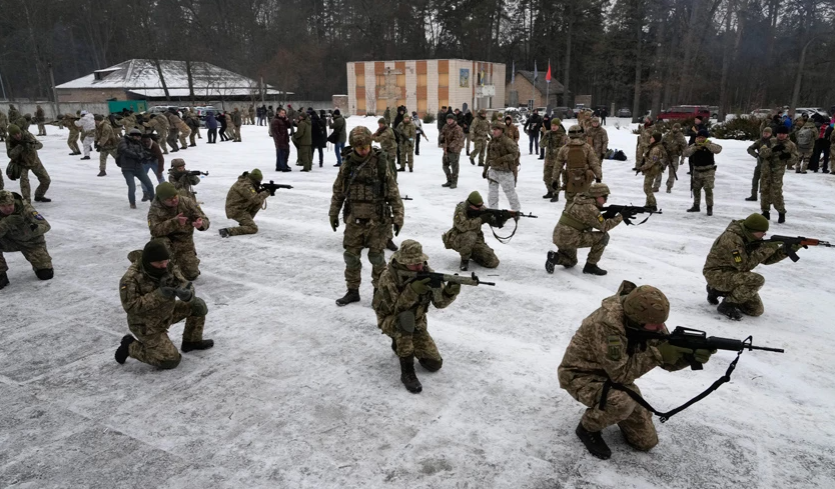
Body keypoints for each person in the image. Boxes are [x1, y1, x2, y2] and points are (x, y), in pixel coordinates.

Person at [558, 281, 707, 459]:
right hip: (581, 376)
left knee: (645, 442)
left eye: (662, 323)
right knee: (622, 402)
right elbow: (621, 374)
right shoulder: (606, 325)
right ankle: (588, 427)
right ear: (636, 319)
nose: (661, 329)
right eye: (656, 325)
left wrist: (688, 357)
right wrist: (658, 353)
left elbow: (667, 363)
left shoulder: (650, 320)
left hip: (613, 377)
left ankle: (610, 410)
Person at [372, 239, 460, 393]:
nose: (419, 266)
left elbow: (439, 303)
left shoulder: (426, 273)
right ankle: (407, 372)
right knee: (406, 319)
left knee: (434, 364)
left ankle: (399, 343)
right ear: (403, 262)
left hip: (418, 323)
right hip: (391, 320)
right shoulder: (388, 277)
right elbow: (396, 308)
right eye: (414, 263)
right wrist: (413, 290)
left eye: (420, 262)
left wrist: (450, 292)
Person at [329, 127, 404, 306]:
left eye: (366, 146)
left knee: (377, 258)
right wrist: (333, 212)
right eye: (360, 147)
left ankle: (379, 292)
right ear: (353, 146)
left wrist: (398, 216)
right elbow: (338, 191)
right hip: (354, 219)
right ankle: (352, 291)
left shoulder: (380, 163)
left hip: (377, 220)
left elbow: (393, 192)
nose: (364, 150)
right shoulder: (347, 165)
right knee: (351, 257)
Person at [114, 239, 212, 369]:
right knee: (170, 361)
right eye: (159, 263)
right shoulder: (131, 279)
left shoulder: (168, 265)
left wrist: (187, 293)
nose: (164, 265)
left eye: (166, 261)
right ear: (148, 262)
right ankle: (130, 346)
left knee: (197, 305)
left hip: (167, 312)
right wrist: (160, 294)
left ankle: (191, 341)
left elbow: (184, 282)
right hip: (146, 324)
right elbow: (131, 307)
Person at [703, 213, 797, 320]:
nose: (764, 235)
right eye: (762, 232)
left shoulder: (749, 237)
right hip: (717, 274)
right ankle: (727, 304)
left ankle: (718, 291)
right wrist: (768, 248)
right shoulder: (731, 240)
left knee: (755, 310)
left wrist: (788, 250)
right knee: (757, 280)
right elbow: (743, 266)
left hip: (733, 274)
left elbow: (766, 260)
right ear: (753, 231)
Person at [547, 183, 622, 276]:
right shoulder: (590, 208)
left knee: (571, 261)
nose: (605, 201)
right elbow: (604, 227)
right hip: (570, 238)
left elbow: (591, 220)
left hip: (559, 236)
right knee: (603, 237)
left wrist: (609, 214)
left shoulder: (578, 201)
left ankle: (555, 258)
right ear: (598, 196)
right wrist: (621, 217)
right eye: (605, 197)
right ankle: (591, 266)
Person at [147, 182, 209, 281]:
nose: (174, 200)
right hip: (166, 241)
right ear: (162, 200)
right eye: (169, 199)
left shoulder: (186, 202)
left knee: (191, 274)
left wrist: (201, 224)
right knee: (165, 275)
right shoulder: (155, 209)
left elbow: (203, 218)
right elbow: (155, 231)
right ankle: (154, 261)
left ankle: (183, 262)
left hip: (184, 242)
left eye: (175, 196)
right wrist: (174, 222)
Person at [0, 189, 53, 289]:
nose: (7, 209)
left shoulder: (25, 209)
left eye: (9, 205)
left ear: (13, 202)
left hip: (31, 242)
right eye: (3, 206)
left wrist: (32, 230)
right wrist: (5, 223)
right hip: (8, 241)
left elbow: (46, 225)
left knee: (46, 274)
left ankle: (39, 266)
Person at [441, 190, 507, 271]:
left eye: (480, 206)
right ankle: (464, 260)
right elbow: (463, 227)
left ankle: (471, 253)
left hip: (476, 240)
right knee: (470, 234)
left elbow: (494, 223)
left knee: (492, 262)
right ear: (469, 204)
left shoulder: (481, 208)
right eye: (477, 206)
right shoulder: (460, 210)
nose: (479, 208)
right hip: (458, 238)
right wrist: (481, 219)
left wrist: (503, 218)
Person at [554, 125, 602, 206]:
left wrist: (555, 179)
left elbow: (558, 165)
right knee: (586, 204)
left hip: (570, 181)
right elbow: (594, 163)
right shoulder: (587, 147)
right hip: (585, 181)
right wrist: (599, 177)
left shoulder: (564, 149)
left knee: (570, 204)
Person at [757, 125, 796, 222]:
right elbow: (762, 153)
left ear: (787, 134)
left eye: (783, 134)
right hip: (766, 171)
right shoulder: (770, 142)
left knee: (776, 193)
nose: (781, 136)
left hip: (777, 173)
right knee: (764, 191)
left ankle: (781, 212)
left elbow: (794, 160)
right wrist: (772, 150)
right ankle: (765, 212)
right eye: (779, 133)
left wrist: (787, 156)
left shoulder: (791, 145)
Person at [6, 125, 51, 203]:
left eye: (18, 133)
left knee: (46, 179)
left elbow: (40, 145)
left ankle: (39, 195)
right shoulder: (9, 140)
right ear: (11, 135)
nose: (17, 136)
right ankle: (27, 202)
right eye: (14, 134)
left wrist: (30, 145)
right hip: (21, 163)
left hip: (34, 161)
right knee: (24, 183)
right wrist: (20, 146)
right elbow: (10, 154)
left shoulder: (27, 135)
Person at [218, 169, 270, 237]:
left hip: (241, 207)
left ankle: (246, 222)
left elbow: (255, 197)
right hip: (236, 210)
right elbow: (256, 199)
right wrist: (267, 192)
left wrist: (261, 191)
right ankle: (228, 231)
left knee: (259, 202)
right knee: (253, 228)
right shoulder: (245, 185)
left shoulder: (247, 182)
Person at [482, 121, 521, 211]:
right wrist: (485, 170)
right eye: (493, 130)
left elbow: (515, 154)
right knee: (492, 194)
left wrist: (501, 160)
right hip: (493, 171)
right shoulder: (492, 142)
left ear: (501, 130)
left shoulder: (507, 141)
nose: (494, 132)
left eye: (496, 130)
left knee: (510, 193)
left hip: (505, 172)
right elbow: (488, 156)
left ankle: (516, 211)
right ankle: (493, 211)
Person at [682, 129, 722, 216]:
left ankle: (709, 207)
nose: (700, 139)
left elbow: (718, 149)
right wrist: (695, 147)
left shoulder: (710, 144)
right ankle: (696, 205)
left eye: (702, 137)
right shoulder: (694, 146)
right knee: (696, 189)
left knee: (708, 189)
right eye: (699, 137)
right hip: (697, 170)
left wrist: (706, 145)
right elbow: (685, 153)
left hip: (708, 171)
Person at [117, 129, 155, 209]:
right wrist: (137, 155)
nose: (139, 138)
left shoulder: (139, 143)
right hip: (127, 168)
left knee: (149, 185)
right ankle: (132, 203)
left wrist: (145, 156)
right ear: (132, 136)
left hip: (138, 167)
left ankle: (153, 202)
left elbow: (143, 152)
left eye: (139, 137)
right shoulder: (124, 141)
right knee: (132, 187)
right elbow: (125, 150)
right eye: (137, 136)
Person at [637, 132, 666, 212]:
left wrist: (642, 168)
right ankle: (648, 204)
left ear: (655, 139)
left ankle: (653, 204)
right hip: (651, 169)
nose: (650, 139)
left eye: (652, 137)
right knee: (647, 187)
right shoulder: (653, 147)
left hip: (652, 170)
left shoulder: (656, 149)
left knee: (647, 188)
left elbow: (652, 161)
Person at [541, 118, 567, 201]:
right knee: (546, 177)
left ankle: (556, 193)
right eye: (552, 125)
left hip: (557, 160)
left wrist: (555, 150)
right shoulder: (548, 134)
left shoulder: (563, 136)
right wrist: (545, 138)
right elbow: (541, 144)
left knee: (555, 178)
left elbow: (564, 148)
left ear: (559, 126)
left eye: (555, 125)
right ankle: (550, 191)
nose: (553, 127)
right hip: (548, 159)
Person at [745, 127, 773, 202]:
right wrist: (756, 155)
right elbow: (750, 149)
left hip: (769, 165)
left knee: (766, 181)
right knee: (755, 179)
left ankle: (765, 196)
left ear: (770, 134)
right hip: (760, 164)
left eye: (767, 133)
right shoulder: (760, 141)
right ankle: (754, 195)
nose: (765, 134)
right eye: (764, 133)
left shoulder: (773, 142)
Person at [659, 123, 687, 193]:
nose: (675, 129)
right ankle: (656, 186)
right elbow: (660, 144)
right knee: (659, 169)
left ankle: (669, 186)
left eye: (677, 128)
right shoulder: (667, 134)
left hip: (675, 156)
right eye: (674, 127)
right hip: (665, 155)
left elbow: (684, 148)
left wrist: (682, 159)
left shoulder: (681, 137)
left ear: (679, 129)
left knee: (672, 172)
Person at [439, 114, 464, 189]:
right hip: (446, 149)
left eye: (450, 119)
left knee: (454, 166)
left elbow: (457, 140)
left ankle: (454, 182)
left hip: (454, 150)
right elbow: (442, 135)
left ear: (453, 120)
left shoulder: (457, 128)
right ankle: (449, 180)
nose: (449, 121)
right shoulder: (445, 126)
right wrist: (442, 141)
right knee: (445, 165)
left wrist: (449, 146)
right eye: (448, 119)